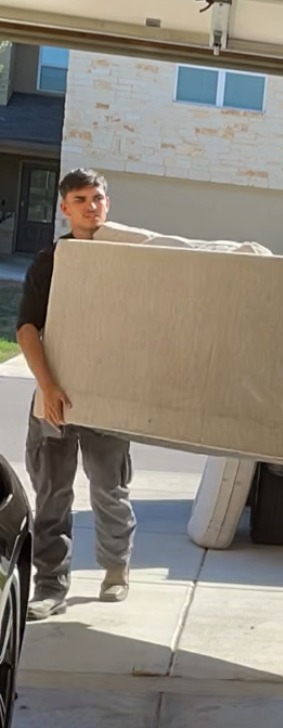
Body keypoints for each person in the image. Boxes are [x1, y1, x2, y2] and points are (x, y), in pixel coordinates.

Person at [16, 168, 136, 621]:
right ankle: (49, 588)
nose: (92, 206)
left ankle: (116, 570)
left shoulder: (127, 260)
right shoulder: (50, 262)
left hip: (110, 397)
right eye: (81, 199)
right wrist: (48, 388)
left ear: (109, 203)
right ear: (64, 208)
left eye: (98, 198)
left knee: (110, 490)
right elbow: (27, 328)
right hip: (55, 397)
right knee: (52, 496)